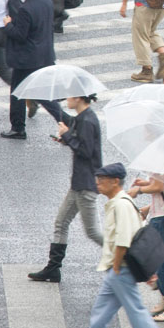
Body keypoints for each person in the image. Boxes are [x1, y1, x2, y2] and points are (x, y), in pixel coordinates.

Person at [80, 163, 164, 328]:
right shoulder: (119, 202)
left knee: (136, 313)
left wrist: (117, 266)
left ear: (115, 181)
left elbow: (123, 239)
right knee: (100, 314)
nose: (98, 183)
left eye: (102, 179)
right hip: (116, 269)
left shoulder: (121, 204)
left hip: (121, 268)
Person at [28, 93, 103, 283]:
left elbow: (86, 151)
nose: (66, 98)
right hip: (79, 183)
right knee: (61, 222)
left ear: (79, 98)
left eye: (70, 95)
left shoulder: (87, 120)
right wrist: (66, 139)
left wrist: (67, 135)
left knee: (92, 232)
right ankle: (53, 269)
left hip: (85, 184)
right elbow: (82, 145)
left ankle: (127, 256)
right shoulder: (83, 118)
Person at [2, 0, 62, 140]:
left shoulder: (25, 8)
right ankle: (66, 120)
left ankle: (18, 128)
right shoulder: (46, 0)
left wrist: (8, 25)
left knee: (18, 92)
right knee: (41, 93)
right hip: (44, 53)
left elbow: (20, 35)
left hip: (27, 58)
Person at [128, 173, 164, 323]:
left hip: (162, 217)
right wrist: (147, 183)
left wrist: (139, 189)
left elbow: (159, 186)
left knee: (163, 262)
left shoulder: (163, 159)